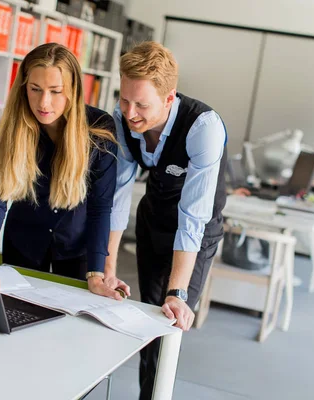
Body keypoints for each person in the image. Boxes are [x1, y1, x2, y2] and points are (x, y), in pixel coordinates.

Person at [105, 41, 228, 399]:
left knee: (169, 317)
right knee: (148, 317)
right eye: (124, 100)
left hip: (197, 231)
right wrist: (108, 266)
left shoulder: (204, 127)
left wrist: (178, 292)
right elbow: (118, 194)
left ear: (169, 97)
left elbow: (193, 217)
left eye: (141, 104)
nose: (129, 113)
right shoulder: (122, 117)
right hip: (153, 219)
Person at [0, 43, 130, 300]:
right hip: (23, 245)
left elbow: (100, 207)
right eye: (35, 89)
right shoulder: (10, 131)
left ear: (73, 90)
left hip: (77, 250)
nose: (44, 103)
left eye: (56, 91)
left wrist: (96, 271)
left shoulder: (99, 129)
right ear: (23, 87)